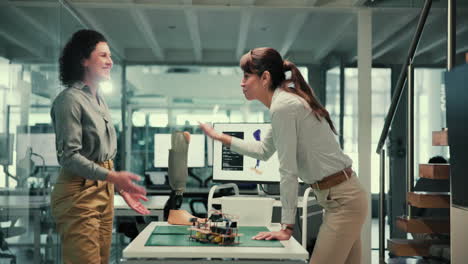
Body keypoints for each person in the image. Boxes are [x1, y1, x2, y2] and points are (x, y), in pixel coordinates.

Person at [200, 47, 368, 264]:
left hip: (343, 202)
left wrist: (286, 226)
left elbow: (288, 171)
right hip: (342, 198)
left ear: (265, 77)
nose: (242, 83)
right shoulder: (282, 104)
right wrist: (220, 137)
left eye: (246, 76)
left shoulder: (283, 107)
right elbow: (263, 151)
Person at [50, 29, 149, 264]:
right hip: (78, 193)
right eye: (103, 55)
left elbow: (103, 157)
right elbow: (69, 156)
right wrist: (113, 177)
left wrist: (121, 189)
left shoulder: (99, 99)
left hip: (103, 191)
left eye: (110, 56)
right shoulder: (69, 100)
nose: (110, 61)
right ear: (84, 59)